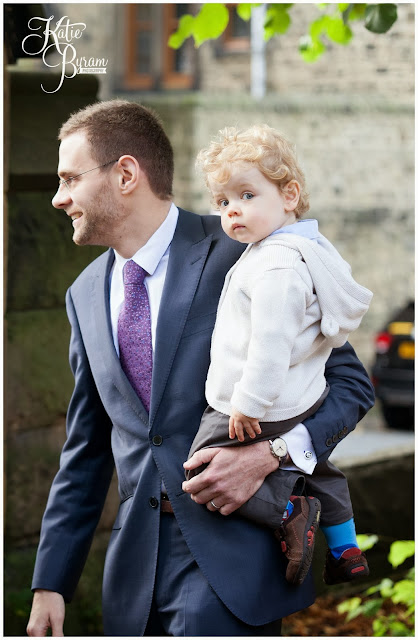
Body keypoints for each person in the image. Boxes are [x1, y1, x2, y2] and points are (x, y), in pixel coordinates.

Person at [26, 100, 375, 637]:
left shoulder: (248, 246)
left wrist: (270, 454)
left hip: (235, 563)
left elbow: (349, 382)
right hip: (133, 577)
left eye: (70, 177)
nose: (58, 196)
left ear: (125, 174)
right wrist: (51, 582)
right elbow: (87, 447)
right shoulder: (83, 294)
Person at [186, 124, 373, 587]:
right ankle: (347, 547)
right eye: (224, 202)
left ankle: (289, 508)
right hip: (302, 399)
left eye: (247, 195)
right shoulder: (307, 250)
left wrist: (248, 402)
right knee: (320, 466)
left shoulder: (274, 263)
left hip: (260, 405)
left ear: (289, 195)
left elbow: (270, 343)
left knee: (202, 467)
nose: (232, 212)